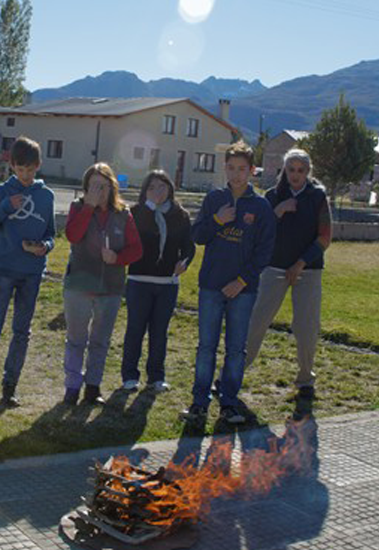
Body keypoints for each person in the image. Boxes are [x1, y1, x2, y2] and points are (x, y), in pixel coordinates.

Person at [182, 141, 275, 426]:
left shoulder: (261, 206)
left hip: (242, 290)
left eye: (242, 169)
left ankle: (229, 404)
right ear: (224, 168)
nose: (236, 175)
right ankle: (199, 403)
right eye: (231, 168)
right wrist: (217, 220)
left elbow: (265, 252)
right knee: (206, 346)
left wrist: (241, 280)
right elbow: (197, 236)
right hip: (211, 286)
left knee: (236, 349)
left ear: (252, 171)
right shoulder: (214, 200)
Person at [0, 137, 55, 408]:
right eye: (20, 169)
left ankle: (10, 384)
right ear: (12, 165)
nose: (25, 175)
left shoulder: (46, 195)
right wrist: (6, 207)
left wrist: (45, 246)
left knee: (22, 331)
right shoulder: (2, 192)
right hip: (4, 269)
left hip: (32, 272)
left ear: (38, 166)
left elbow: (51, 232)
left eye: (30, 169)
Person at [244, 149, 332, 410]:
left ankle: (305, 380)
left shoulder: (317, 197)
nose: (295, 175)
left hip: (309, 270)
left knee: (306, 326)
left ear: (308, 172)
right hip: (273, 268)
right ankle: (234, 373)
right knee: (256, 322)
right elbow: (258, 232)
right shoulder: (272, 196)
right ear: (284, 171)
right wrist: (278, 211)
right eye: (291, 169)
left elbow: (325, 237)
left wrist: (300, 263)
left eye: (301, 170)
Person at [63, 162, 143, 406]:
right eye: (93, 186)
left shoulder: (123, 214)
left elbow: (137, 249)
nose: (99, 191)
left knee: (100, 340)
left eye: (103, 186)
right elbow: (72, 236)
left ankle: (92, 387)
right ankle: (72, 387)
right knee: (76, 339)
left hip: (110, 287)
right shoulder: (78, 208)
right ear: (86, 188)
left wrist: (118, 258)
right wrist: (88, 207)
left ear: (112, 187)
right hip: (78, 285)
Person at [120, 170, 195, 393]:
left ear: (170, 189)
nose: (157, 192)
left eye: (162, 187)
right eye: (152, 187)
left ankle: (156, 377)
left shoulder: (180, 215)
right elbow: (125, 243)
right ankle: (130, 376)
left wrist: (185, 262)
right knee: (135, 329)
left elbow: (189, 247)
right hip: (138, 281)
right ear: (145, 191)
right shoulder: (134, 213)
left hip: (167, 284)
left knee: (159, 332)